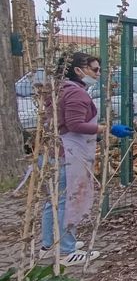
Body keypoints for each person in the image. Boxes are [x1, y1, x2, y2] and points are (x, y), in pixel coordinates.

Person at [39, 52, 103, 266]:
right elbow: (75, 124)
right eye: (94, 69)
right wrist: (106, 128)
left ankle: (48, 245)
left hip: (51, 153)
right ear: (77, 70)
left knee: (53, 201)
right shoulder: (75, 93)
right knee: (68, 200)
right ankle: (67, 251)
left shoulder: (57, 90)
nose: (98, 73)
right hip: (68, 154)